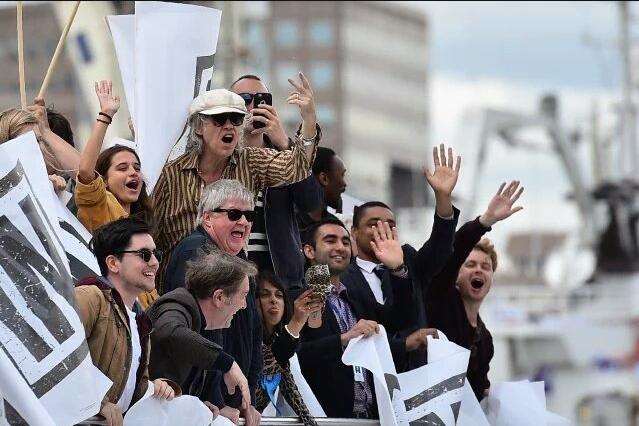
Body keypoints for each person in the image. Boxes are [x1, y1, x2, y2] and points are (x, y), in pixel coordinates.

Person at [153, 83, 320, 296]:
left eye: (236, 119)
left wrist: (309, 119)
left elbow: (297, 168)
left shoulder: (249, 161)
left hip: (233, 291)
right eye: (220, 119)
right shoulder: (171, 174)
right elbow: (150, 234)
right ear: (198, 127)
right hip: (182, 291)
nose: (229, 126)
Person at [343, 144, 460, 370]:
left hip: (415, 377)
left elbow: (440, 248)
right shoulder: (343, 277)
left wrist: (443, 198)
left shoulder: (408, 260)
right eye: (373, 224)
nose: (383, 230)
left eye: (391, 225)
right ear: (354, 233)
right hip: (369, 382)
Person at [163, 179, 263, 426]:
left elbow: (252, 331)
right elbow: (199, 328)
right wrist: (216, 400)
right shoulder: (196, 253)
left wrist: (247, 401)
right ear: (207, 219)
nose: (244, 221)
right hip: (198, 405)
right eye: (233, 214)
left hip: (227, 403)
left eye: (249, 215)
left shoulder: (238, 260)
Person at [298, 218, 415, 419]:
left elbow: (400, 321)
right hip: (323, 418)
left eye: (345, 242)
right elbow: (299, 357)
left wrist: (397, 270)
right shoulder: (297, 298)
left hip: (369, 417)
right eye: (330, 240)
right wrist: (345, 338)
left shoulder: (356, 296)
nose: (340, 247)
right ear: (309, 251)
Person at [424, 180, 524, 401]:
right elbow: (455, 250)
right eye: (470, 265)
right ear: (456, 275)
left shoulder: (485, 338)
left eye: (486, 267)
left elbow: (479, 391)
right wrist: (485, 221)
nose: (479, 270)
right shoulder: (441, 300)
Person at [74, 218, 178, 426]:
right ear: (113, 263)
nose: (155, 263)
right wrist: (97, 402)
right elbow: (61, 359)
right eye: (144, 255)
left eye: (155, 254)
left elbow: (129, 388)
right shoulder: (89, 296)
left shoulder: (141, 322)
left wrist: (153, 387)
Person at [230, 73, 323, 293]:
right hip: (233, 280)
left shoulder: (284, 156)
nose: (253, 106)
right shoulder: (221, 156)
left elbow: (312, 204)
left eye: (262, 99)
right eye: (244, 99)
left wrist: (284, 142)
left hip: (280, 283)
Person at [148, 249, 256, 425]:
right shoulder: (177, 305)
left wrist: (200, 405)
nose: (244, 305)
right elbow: (169, 332)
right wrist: (227, 363)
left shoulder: (205, 323)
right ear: (219, 297)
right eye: (243, 296)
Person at [75, 80, 152, 233]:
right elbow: (85, 171)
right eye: (122, 168)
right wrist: (106, 114)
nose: (133, 172)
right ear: (104, 181)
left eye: (137, 167)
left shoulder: (142, 220)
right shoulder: (98, 208)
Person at [255, 270, 322, 424]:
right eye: (265, 294)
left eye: (279, 295)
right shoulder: (249, 340)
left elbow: (291, 391)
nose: (273, 300)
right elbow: (270, 365)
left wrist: (311, 422)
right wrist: (296, 324)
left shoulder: (275, 341)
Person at [0, 105, 80, 193]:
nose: (40, 148)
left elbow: (86, 175)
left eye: (39, 140)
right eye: (28, 143)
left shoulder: (65, 187)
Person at [297, 147, 347, 234]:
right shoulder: (289, 224)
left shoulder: (335, 225)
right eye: (341, 175)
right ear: (324, 178)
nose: (344, 184)